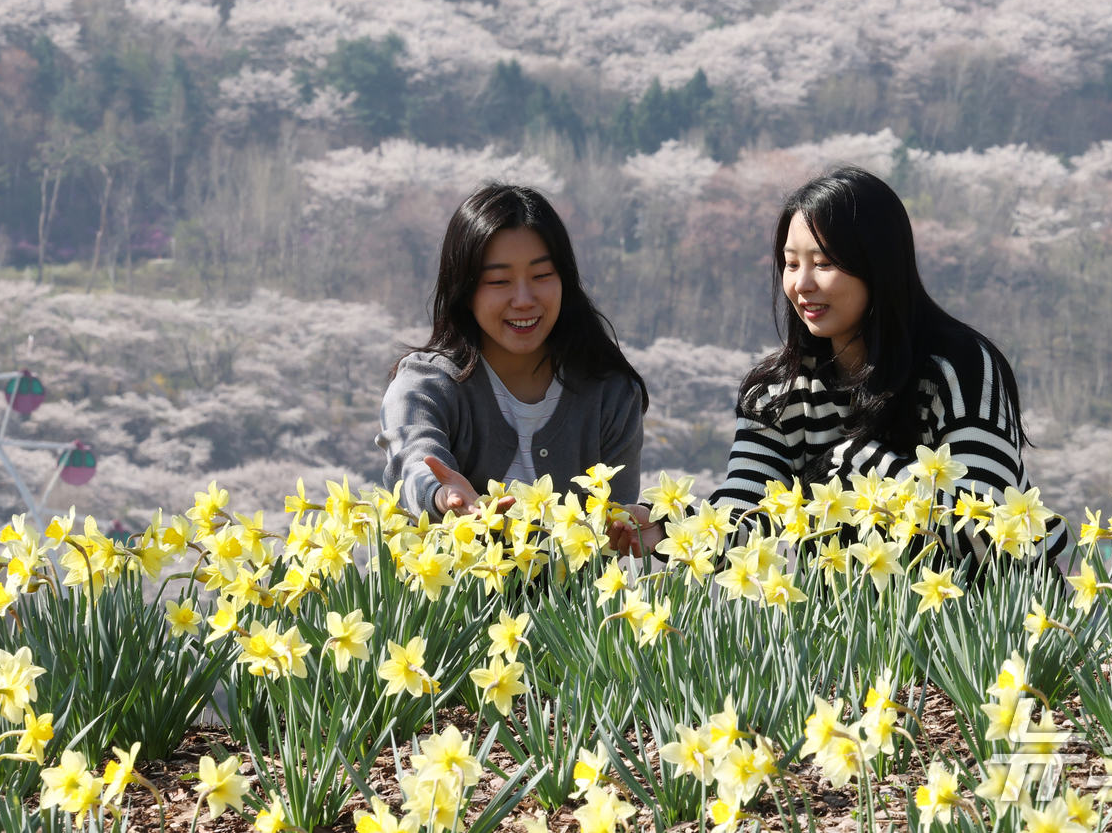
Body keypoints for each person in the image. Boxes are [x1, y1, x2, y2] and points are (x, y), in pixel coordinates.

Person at [609, 164, 1062, 565]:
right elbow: (744, 513)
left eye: (823, 263)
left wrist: (858, 461)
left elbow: (998, 536)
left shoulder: (959, 369)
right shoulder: (775, 394)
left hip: (983, 630)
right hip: (856, 642)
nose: (802, 284)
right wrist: (668, 525)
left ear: (879, 266)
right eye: (790, 264)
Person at [378, 183, 647, 517]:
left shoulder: (611, 395)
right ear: (465, 290)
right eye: (499, 282)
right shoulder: (426, 385)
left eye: (541, 275)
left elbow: (611, 533)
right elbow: (413, 464)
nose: (523, 300)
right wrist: (441, 496)